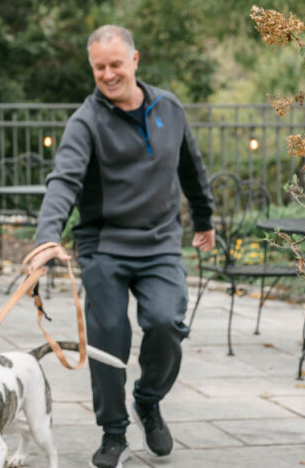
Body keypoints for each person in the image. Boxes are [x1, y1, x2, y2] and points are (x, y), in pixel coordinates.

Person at [25, 25, 214, 468]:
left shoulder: (170, 108)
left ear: (134, 60)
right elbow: (64, 182)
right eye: (98, 67)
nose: (108, 74)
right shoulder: (85, 122)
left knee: (166, 322)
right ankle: (113, 432)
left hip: (160, 242)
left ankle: (148, 401)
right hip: (104, 245)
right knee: (108, 334)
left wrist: (204, 220)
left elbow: (192, 169)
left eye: (115, 64)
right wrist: (46, 238)